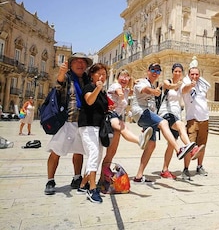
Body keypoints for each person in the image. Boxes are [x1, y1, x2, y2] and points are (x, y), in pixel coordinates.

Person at [131, 63, 195, 184]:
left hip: (150, 115)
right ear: (148, 71)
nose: (155, 73)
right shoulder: (143, 83)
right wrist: (153, 91)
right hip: (141, 112)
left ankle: (139, 176)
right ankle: (179, 150)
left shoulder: (153, 84)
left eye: (158, 71)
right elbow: (145, 90)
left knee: (151, 145)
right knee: (164, 123)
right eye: (153, 70)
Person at [44, 52, 92, 195]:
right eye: (76, 61)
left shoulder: (87, 80)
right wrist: (61, 72)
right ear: (71, 64)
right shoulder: (67, 77)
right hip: (67, 120)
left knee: (79, 151)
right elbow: (58, 83)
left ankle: (77, 178)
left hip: (82, 121)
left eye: (83, 62)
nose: (80, 64)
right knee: (56, 151)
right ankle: (50, 180)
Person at [99, 69, 153, 184]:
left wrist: (140, 81)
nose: (124, 79)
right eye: (122, 76)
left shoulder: (127, 90)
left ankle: (102, 180)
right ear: (117, 77)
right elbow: (119, 92)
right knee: (124, 128)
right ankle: (139, 140)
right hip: (109, 116)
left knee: (111, 152)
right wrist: (121, 96)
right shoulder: (116, 86)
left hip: (117, 118)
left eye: (126, 77)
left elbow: (137, 91)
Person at [158, 63, 204, 180]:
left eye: (179, 72)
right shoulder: (167, 81)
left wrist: (191, 84)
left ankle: (165, 170)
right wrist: (176, 85)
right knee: (181, 126)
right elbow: (168, 86)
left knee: (170, 145)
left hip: (176, 114)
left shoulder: (182, 84)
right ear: (172, 72)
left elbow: (184, 91)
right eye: (176, 71)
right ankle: (190, 148)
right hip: (166, 113)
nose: (177, 73)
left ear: (182, 73)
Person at [76, 63, 109, 203]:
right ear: (92, 75)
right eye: (99, 73)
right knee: (94, 154)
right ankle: (92, 189)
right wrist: (98, 88)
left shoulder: (102, 92)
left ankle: (83, 184)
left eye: (104, 74)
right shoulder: (89, 88)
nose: (102, 76)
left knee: (97, 156)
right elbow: (89, 101)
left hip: (98, 127)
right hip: (88, 126)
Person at [180, 66, 210, 180]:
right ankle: (186, 169)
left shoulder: (202, 86)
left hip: (204, 119)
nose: (194, 76)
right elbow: (183, 90)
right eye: (192, 74)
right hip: (192, 119)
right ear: (189, 75)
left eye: (196, 74)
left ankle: (199, 166)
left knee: (202, 145)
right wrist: (190, 85)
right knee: (190, 145)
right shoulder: (186, 84)